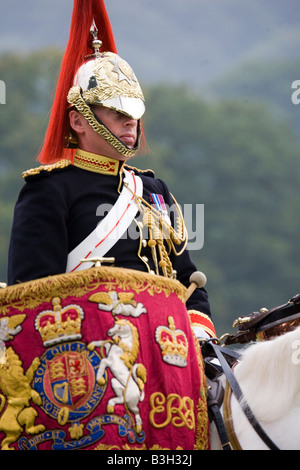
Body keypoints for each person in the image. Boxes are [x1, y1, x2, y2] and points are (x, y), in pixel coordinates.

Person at [7, 1, 215, 340]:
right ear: (78, 120)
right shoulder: (48, 190)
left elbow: (189, 280)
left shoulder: (154, 191)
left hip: (169, 345)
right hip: (90, 352)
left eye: (133, 112)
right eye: (117, 112)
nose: (130, 121)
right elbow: (32, 297)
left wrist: (200, 338)